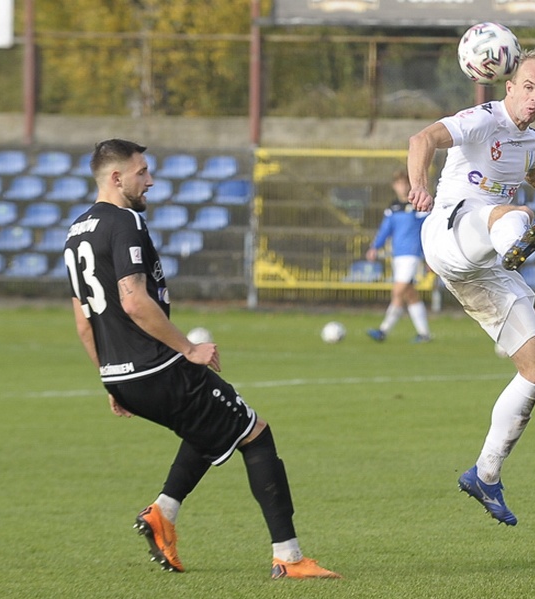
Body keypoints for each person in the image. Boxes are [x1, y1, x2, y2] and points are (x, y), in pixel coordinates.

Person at [63, 139, 340, 579]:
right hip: (155, 367)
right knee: (255, 434)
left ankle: (163, 513)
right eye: (142, 172)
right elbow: (133, 300)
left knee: (211, 425)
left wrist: (109, 379)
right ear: (116, 178)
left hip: (121, 374)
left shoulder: (76, 230)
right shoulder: (124, 223)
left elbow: (83, 321)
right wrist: (189, 349)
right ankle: (289, 558)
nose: (150, 180)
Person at [406, 48, 535, 525]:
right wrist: (419, 185)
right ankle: (517, 243)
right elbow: (422, 138)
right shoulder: (481, 119)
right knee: (513, 214)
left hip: (485, 266)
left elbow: (532, 169)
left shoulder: (531, 140)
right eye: (528, 87)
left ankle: (485, 474)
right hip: (450, 232)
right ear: (509, 86)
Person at [366, 168, 432, 343]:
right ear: (394, 186)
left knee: (398, 291)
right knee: (410, 295)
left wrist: (430, 256)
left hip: (412, 255)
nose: (402, 187)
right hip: (397, 256)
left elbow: (428, 231)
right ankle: (424, 334)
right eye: (399, 184)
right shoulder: (393, 208)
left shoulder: (419, 207)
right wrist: (375, 247)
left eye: (405, 183)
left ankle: (383, 330)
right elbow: (385, 230)